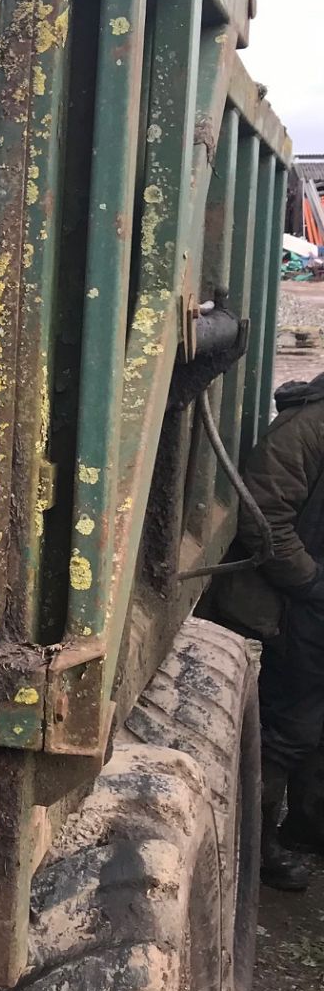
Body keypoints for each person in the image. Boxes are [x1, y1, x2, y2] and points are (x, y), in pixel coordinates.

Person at [208, 373, 324, 892]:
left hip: (308, 603)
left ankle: (305, 825)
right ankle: (254, 852)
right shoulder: (307, 428)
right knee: (285, 731)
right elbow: (262, 517)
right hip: (290, 605)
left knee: (309, 723)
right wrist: (312, 581)